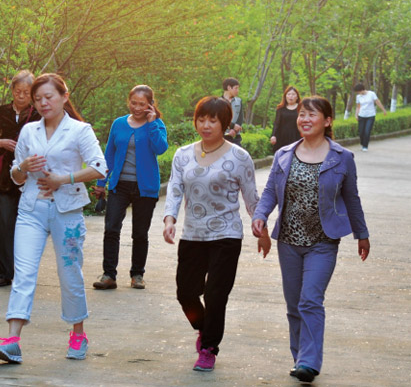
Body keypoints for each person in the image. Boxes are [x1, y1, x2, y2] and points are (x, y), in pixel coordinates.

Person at [0, 73, 107, 364]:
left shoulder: (79, 130)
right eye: (38, 99)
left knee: (69, 273)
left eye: (49, 97)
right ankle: (12, 340)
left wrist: (62, 179)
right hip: (32, 209)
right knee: (23, 273)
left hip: (67, 211)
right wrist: (23, 167)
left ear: (64, 97)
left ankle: (78, 333)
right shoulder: (29, 131)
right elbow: (16, 177)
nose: (43, 103)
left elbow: (99, 167)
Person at [252, 95, 370, 383]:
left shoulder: (342, 157)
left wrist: (362, 234)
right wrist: (261, 215)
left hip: (323, 243)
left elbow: (351, 198)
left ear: (327, 121)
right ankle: (300, 359)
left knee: (310, 300)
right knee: (294, 305)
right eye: (302, 114)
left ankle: (309, 361)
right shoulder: (284, 154)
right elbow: (269, 192)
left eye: (312, 115)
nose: (304, 119)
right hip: (288, 241)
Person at [163, 96, 271, 372]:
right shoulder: (183, 154)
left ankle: (209, 348)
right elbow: (175, 189)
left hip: (227, 235)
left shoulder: (239, 157)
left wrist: (262, 230)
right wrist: (169, 219)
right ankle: (204, 327)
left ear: (224, 124)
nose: (206, 125)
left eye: (213, 120)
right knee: (186, 294)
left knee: (215, 295)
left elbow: (251, 196)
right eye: (201, 119)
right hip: (193, 234)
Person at [92, 85, 168, 290]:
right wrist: (101, 183)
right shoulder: (118, 124)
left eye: (142, 104)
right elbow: (109, 155)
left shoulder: (157, 124)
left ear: (150, 105)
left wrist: (151, 123)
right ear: (128, 102)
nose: (137, 107)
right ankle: (109, 275)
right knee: (111, 229)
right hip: (120, 185)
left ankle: (137, 274)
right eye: (133, 103)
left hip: (145, 188)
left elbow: (160, 148)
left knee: (140, 234)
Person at [0, 70, 41, 287]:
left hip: (31, 176)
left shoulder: (39, 114)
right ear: (12, 90)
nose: (21, 96)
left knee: (28, 225)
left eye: (26, 92)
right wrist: (0, 143)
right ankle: (5, 272)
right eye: (17, 91)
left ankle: (24, 272)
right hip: (4, 177)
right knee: (5, 223)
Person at [354, 83, 387, 152]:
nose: (358, 93)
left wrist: (383, 110)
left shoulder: (371, 94)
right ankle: (362, 143)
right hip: (361, 115)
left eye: (359, 91)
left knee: (367, 131)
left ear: (362, 90)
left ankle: (365, 146)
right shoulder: (358, 97)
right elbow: (358, 106)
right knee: (361, 132)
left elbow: (377, 102)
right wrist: (356, 114)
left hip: (370, 115)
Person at [270, 86, 301, 153]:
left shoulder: (301, 108)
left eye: (293, 94)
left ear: (297, 97)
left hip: (296, 136)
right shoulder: (280, 109)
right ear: (285, 96)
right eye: (289, 94)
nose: (291, 96)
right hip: (282, 137)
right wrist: (273, 135)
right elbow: (276, 123)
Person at [222, 77, 244, 146]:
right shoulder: (218, 102)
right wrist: (232, 126)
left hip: (236, 136)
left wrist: (234, 130)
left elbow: (240, 118)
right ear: (229, 88)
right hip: (222, 136)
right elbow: (219, 119)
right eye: (236, 88)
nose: (237, 90)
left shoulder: (239, 101)